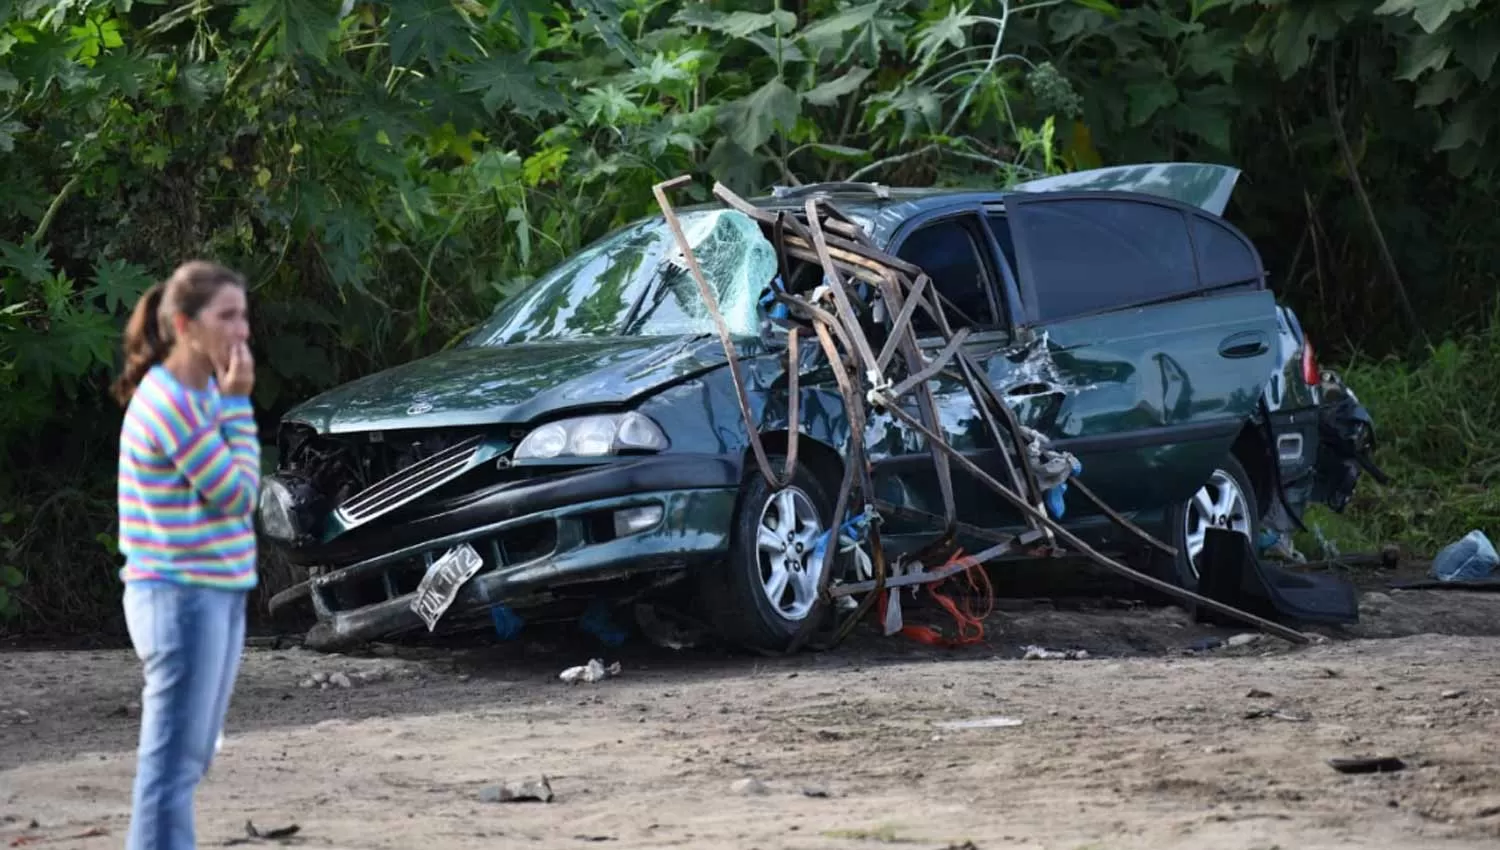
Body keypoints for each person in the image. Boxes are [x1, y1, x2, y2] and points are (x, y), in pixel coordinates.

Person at [111, 260, 259, 850]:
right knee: (170, 769)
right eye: (227, 316)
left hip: (214, 591)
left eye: (243, 316)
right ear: (184, 324)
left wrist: (228, 402)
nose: (241, 331)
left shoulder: (200, 394)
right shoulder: (172, 402)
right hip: (179, 597)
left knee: (190, 759)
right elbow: (237, 494)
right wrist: (239, 405)